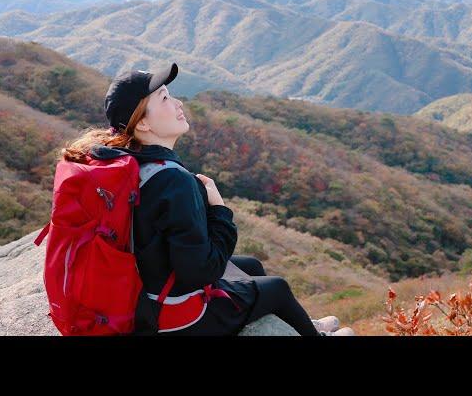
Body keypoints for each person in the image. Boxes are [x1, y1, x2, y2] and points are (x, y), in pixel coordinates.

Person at [60, 63, 355, 336]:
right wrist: (219, 210)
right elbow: (200, 272)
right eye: (164, 99)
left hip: (141, 291)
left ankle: (292, 325)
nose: (177, 104)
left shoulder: (124, 162)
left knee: (250, 265)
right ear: (143, 125)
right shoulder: (171, 181)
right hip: (173, 318)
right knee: (277, 289)